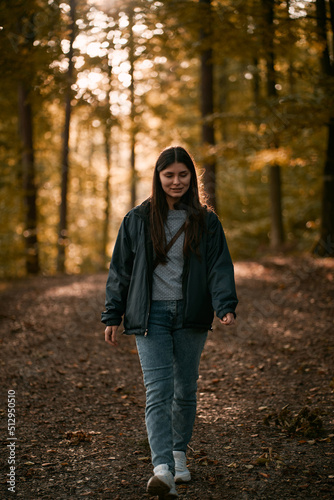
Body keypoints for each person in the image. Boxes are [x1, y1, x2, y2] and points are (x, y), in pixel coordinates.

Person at [101, 146, 238, 499]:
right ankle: (161, 468)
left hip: (191, 315)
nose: (176, 181)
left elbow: (218, 267)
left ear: (191, 177)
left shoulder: (206, 221)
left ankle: (179, 454)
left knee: (185, 389)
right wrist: (112, 314)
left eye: (182, 174)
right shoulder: (138, 219)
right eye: (169, 175)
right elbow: (121, 270)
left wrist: (225, 304)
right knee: (158, 391)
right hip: (150, 317)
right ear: (158, 177)